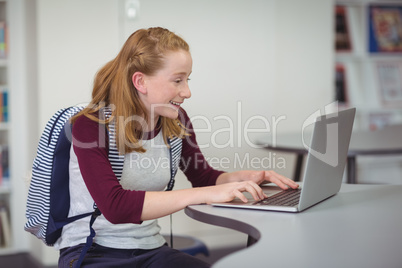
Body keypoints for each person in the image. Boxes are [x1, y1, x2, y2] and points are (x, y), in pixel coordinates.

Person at [56, 27, 298, 268]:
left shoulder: (176, 120)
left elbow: (203, 178)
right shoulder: (91, 126)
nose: (187, 92)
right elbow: (115, 207)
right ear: (140, 81)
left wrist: (244, 178)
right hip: (92, 252)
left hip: (150, 248)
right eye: (177, 80)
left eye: (187, 79)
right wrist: (204, 194)